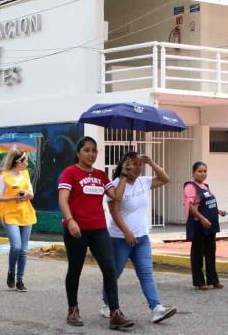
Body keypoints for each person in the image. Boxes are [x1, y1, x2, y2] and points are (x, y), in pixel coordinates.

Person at [58, 136, 133, 330]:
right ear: (78, 153)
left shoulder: (100, 175)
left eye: (94, 150)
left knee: (109, 269)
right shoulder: (70, 173)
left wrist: (124, 176)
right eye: (87, 150)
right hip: (76, 230)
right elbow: (63, 199)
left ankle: (115, 313)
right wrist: (70, 220)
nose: (91, 154)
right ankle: (72, 310)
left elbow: (115, 195)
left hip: (99, 229)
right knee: (75, 269)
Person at [101, 152, 178, 324]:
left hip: (142, 238)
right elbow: (114, 212)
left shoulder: (144, 182)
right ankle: (107, 304)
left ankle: (156, 308)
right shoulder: (114, 185)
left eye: (138, 164)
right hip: (120, 239)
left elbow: (165, 178)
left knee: (146, 274)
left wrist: (151, 162)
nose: (137, 167)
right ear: (124, 166)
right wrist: (127, 232)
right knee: (114, 273)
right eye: (132, 164)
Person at [0, 148, 37, 292]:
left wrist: (26, 195)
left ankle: (20, 280)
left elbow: (31, 193)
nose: (27, 163)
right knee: (16, 246)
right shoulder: (4, 176)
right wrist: (13, 198)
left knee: (23, 250)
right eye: (25, 161)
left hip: (26, 213)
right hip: (10, 214)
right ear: (18, 162)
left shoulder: (25, 174)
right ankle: (11, 271)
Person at [184, 161, 227, 291]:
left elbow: (208, 203)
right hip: (199, 225)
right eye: (200, 171)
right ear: (193, 173)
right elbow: (190, 206)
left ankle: (213, 280)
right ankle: (199, 281)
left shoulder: (205, 186)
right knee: (198, 254)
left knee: (210, 252)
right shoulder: (190, 187)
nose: (203, 174)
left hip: (210, 226)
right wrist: (202, 219)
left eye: (205, 171)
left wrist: (219, 211)